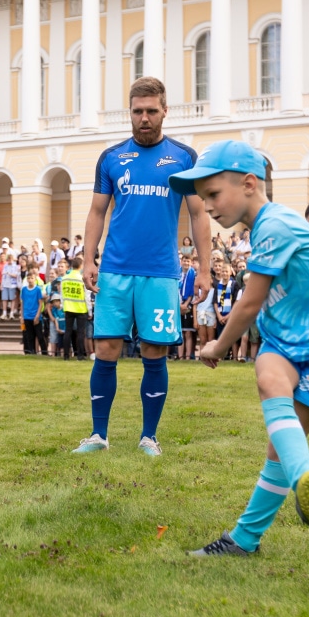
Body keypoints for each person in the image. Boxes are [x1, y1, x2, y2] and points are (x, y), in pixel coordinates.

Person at [166, 140, 309, 557]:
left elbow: (250, 302)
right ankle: (299, 485)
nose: (209, 207)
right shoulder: (280, 223)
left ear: (249, 184)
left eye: (214, 194)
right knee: (269, 378)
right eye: (203, 199)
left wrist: (217, 346)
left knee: (279, 452)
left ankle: (263, 520)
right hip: (284, 343)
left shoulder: (273, 226)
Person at [73, 77, 212, 456]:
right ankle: (98, 436)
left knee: (154, 351)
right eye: (138, 111)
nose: (145, 118)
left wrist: (204, 268)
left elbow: (199, 216)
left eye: (152, 111)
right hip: (115, 271)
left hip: (161, 273)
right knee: (106, 349)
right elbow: (97, 211)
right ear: (130, 113)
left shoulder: (184, 158)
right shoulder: (112, 158)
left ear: (165, 111)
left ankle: (149, 437)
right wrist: (88, 259)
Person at [60, 256, 89, 360]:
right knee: (81, 333)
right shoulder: (81, 279)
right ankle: (80, 355)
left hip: (68, 307)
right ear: (81, 266)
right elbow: (87, 296)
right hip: (81, 308)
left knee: (68, 332)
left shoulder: (64, 278)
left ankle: (66, 355)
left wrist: (62, 305)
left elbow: (62, 294)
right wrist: (89, 311)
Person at [20, 270, 47, 355]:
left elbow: (40, 303)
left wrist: (37, 315)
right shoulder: (24, 290)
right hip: (27, 315)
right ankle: (31, 352)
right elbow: (22, 303)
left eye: (32, 278)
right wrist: (22, 316)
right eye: (28, 278)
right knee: (29, 336)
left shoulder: (38, 289)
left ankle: (44, 352)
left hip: (35, 315)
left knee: (40, 336)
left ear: (35, 279)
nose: (30, 280)